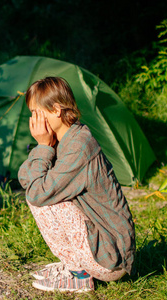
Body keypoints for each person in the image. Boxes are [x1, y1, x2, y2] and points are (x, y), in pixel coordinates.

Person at [18, 77, 135, 293]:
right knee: (41, 191)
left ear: (55, 110)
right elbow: (25, 177)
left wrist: (43, 148)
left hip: (112, 258)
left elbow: (36, 193)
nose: (33, 120)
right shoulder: (64, 139)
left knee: (44, 199)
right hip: (104, 247)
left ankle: (79, 274)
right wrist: (44, 147)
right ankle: (76, 266)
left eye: (36, 112)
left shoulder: (79, 146)